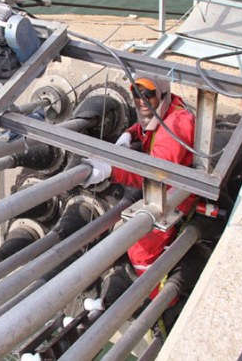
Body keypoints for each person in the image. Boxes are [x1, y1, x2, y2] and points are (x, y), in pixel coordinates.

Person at [83, 74, 199, 322]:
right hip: (165, 186)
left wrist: (112, 170)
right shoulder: (165, 110)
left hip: (179, 194)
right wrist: (130, 134)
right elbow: (147, 128)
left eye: (148, 94)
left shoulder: (177, 124)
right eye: (136, 93)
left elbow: (156, 172)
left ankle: (164, 302)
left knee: (140, 248)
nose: (141, 100)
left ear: (163, 93)